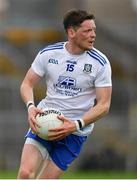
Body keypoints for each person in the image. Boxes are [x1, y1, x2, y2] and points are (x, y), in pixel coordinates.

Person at [17, 9, 112, 179]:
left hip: (75, 133)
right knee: (25, 174)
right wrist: (31, 107)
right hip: (44, 120)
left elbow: (104, 105)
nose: (93, 35)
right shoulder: (49, 54)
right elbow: (27, 84)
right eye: (87, 31)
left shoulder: (100, 63)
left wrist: (75, 125)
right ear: (71, 32)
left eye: (94, 30)